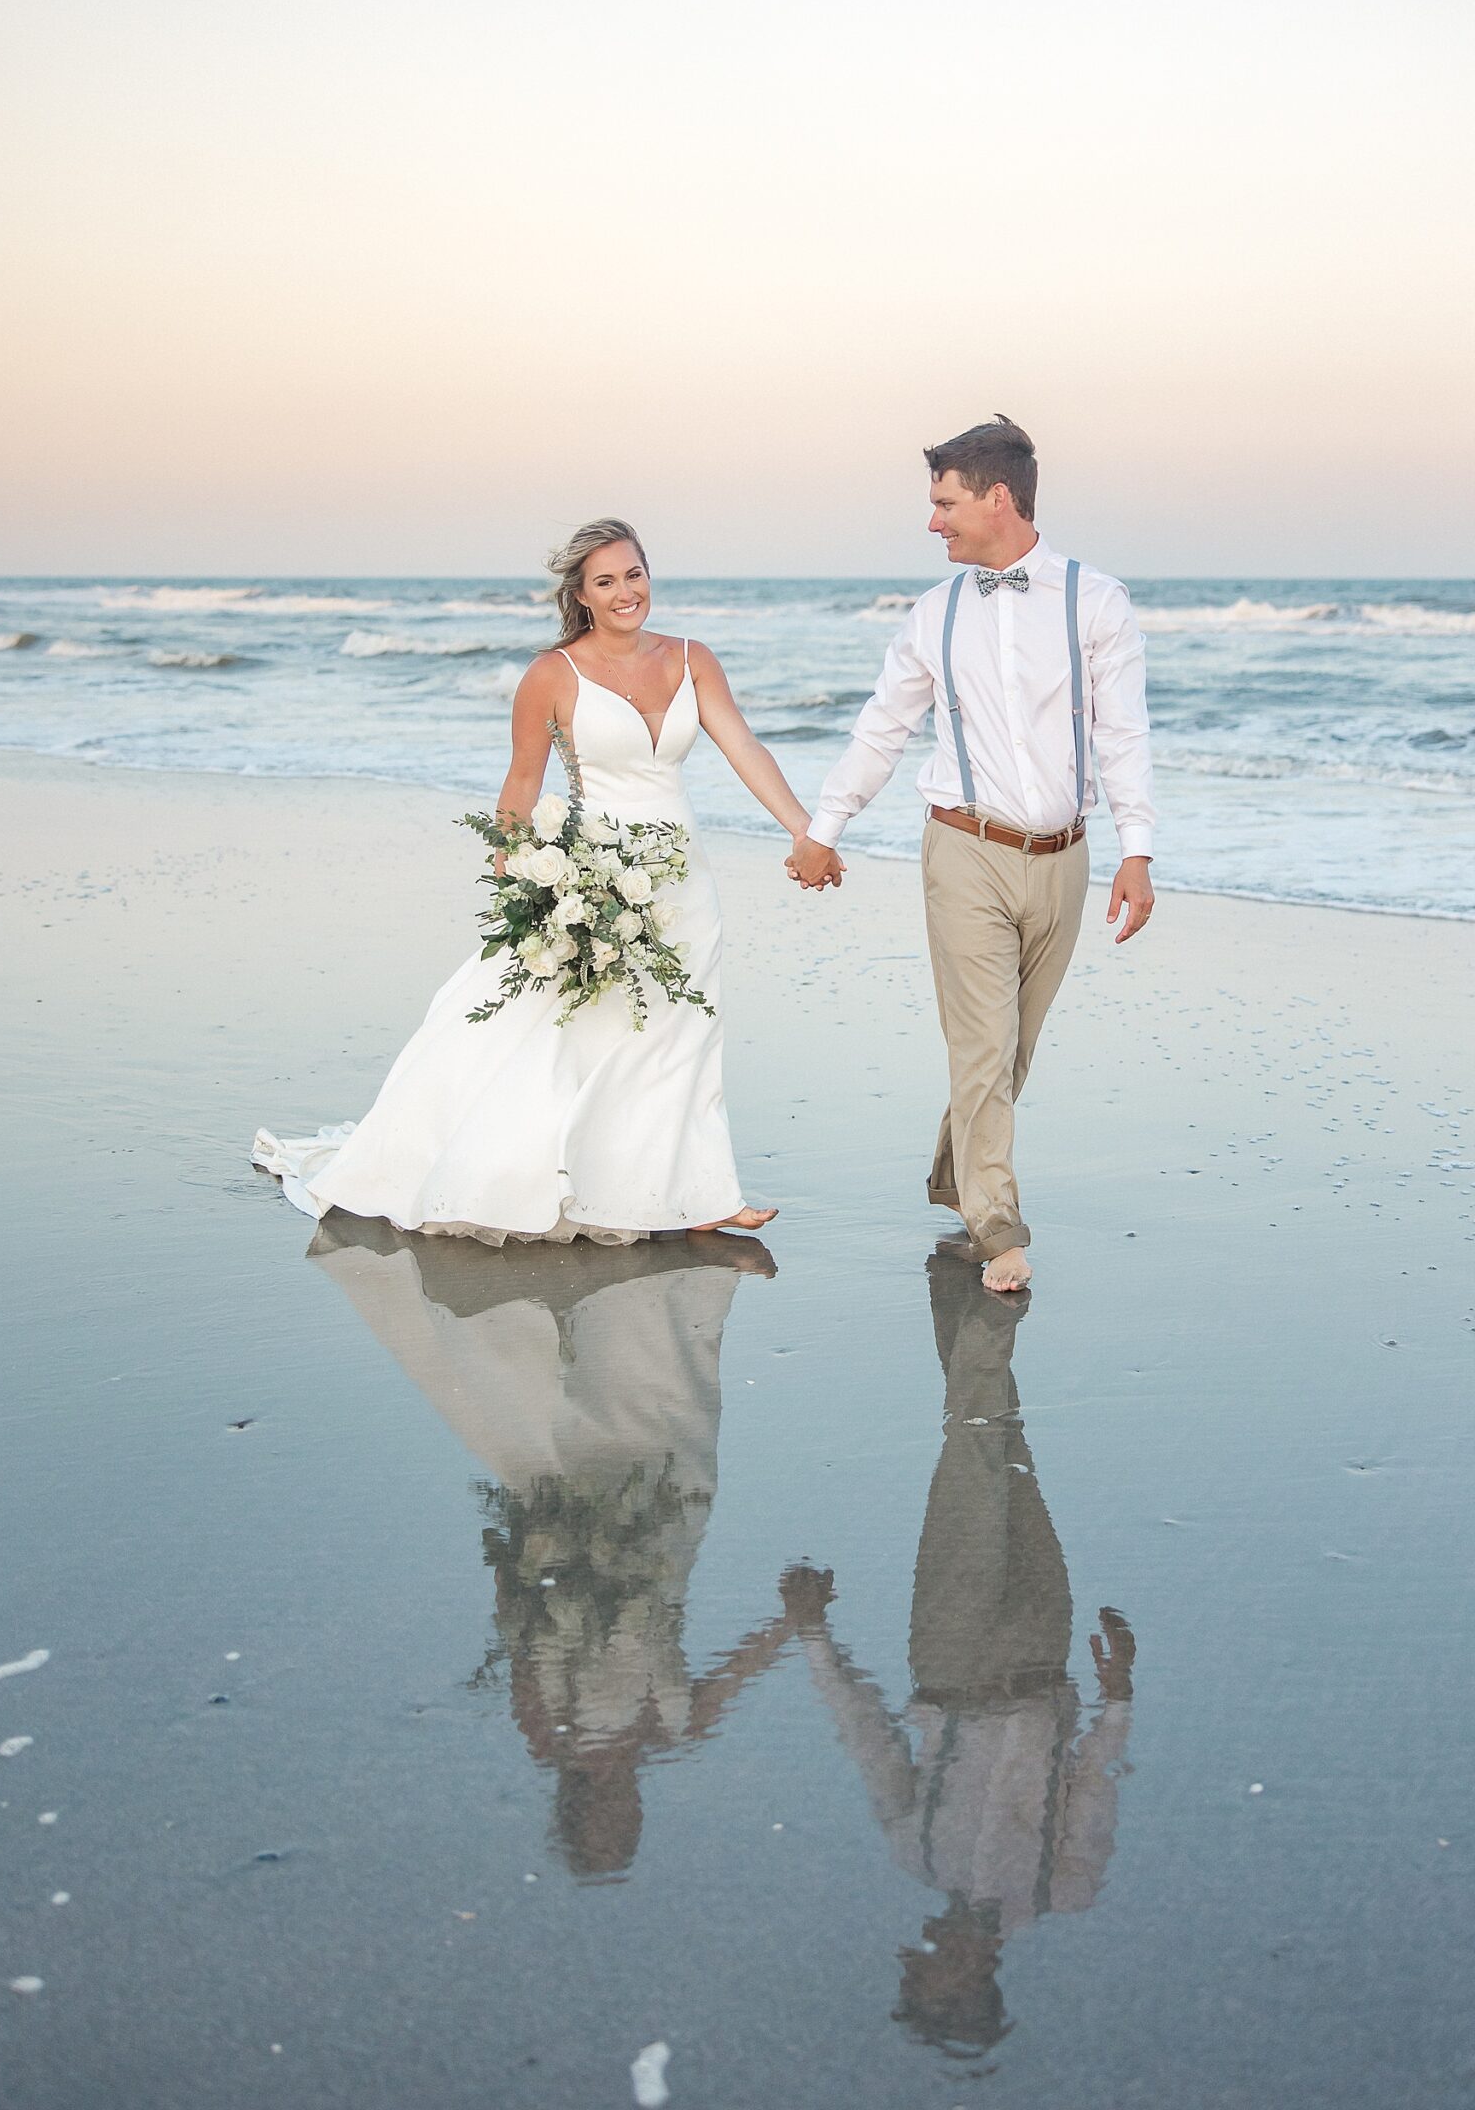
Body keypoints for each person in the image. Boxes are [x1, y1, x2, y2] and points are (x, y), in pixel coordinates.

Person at [254, 517, 828, 1243]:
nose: (626, 592)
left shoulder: (693, 659)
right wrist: (521, 885)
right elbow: (522, 782)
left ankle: (698, 1195)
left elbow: (743, 745)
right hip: (596, 877)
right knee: (591, 1032)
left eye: (634, 574)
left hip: (683, 876)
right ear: (581, 596)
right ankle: (570, 1177)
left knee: (688, 1027)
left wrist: (804, 832)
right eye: (606, 582)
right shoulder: (552, 676)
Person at [305, 1216, 797, 1881]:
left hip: (575, 1555)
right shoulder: (667, 1735)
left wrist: (525, 1560)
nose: (621, 1813)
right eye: (624, 1827)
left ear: (576, 1813)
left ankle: (591, 1310)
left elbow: (522, 1642)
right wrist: (797, 1622)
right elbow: (737, 1670)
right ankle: (663, 1294)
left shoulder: (549, 1738)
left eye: (607, 1826)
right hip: (664, 1545)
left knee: (594, 1435)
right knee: (679, 1413)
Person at [788, 418, 1156, 1292]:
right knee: (982, 1048)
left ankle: (958, 1176)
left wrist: (1135, 852)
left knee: (1012, 1050)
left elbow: (1123, 736)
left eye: (943, 503)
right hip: (963, 848)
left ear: (998, 498)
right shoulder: (931, 614)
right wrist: (823, 829)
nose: (932, 523)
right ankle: (998, 1229)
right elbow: (881, 729)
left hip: (1064, 857)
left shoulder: (1096, 601)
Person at [782, 1252, 1136, 2056]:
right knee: (1006, 1454)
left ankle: (985, 1302)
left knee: (971, 1453)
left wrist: (813, 1635)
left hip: (950, 1656)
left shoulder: (917, 1854)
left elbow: (868, 1740)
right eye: (933, 1974)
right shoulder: (1061, 1889)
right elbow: (1093, 1790)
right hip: (1044, 1655)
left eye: (917, 1969)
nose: (922, 1952)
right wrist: (1115, 1698)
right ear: (976, 1983)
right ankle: (959, 1287)